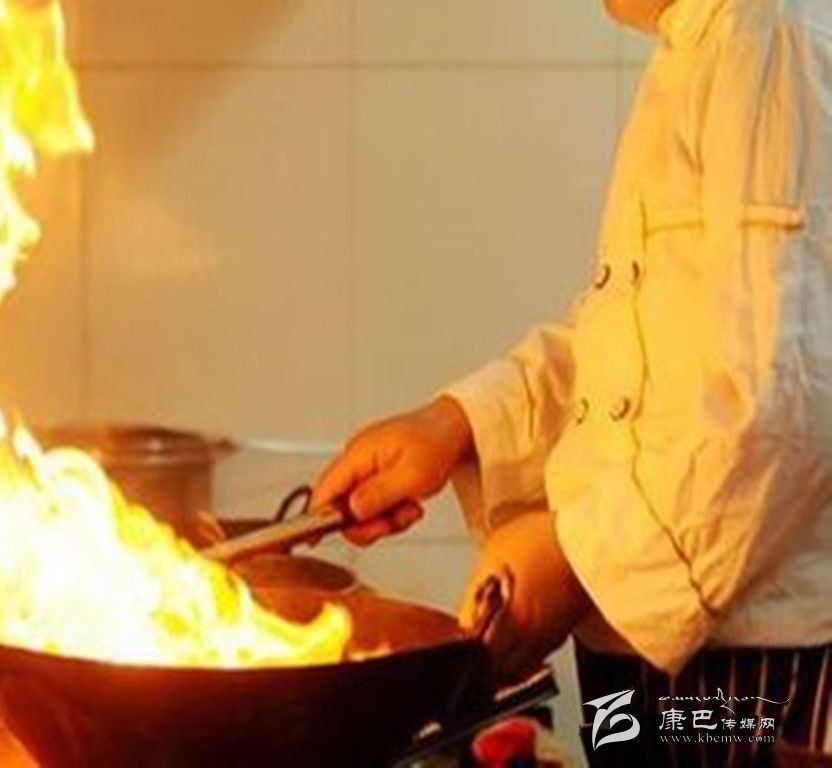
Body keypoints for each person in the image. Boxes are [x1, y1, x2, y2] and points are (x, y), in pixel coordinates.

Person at [314, 0, 832, 764]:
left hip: (753, 680)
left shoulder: (769, 31)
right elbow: (649, 349)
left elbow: (784, 408)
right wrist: (453, 425)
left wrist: (573, 558)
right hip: (649, 658)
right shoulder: (703, 43)